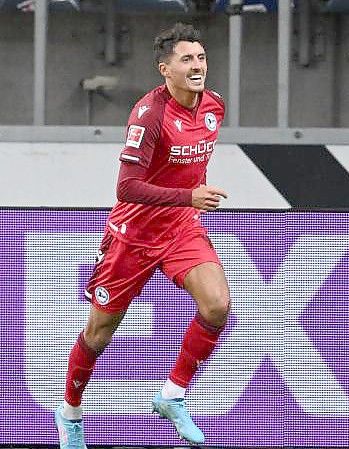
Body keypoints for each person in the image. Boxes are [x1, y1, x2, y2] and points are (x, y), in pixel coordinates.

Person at [53, 23, 231, 449]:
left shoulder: (215, 107)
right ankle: (70, 413)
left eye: (201, 58)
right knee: (99, 332)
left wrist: (188, 201)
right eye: (186, 59)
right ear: (164, 69)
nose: (197, 66)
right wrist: (189, 193)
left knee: (218, 305)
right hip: (132, 236)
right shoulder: (149, 115)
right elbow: (126, 188)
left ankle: (172, 395)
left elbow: (188, 165)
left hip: (181, 228)